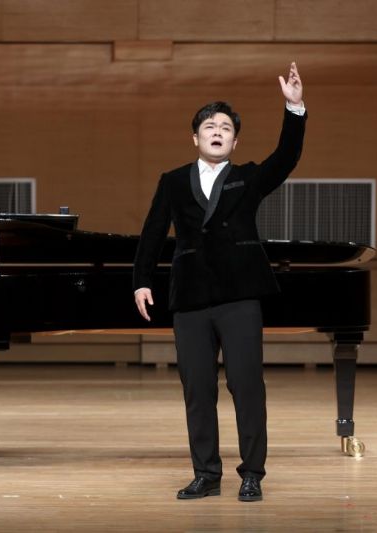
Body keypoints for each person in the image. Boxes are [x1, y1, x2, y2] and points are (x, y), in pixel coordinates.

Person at [133, 62, 306, 501]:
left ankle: (252, 474)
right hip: (190, 297)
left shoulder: (248, 177)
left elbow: (286, 157)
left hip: (240, 295)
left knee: (246, 387)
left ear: (234, 141)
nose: (217, 132)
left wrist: (294, 108)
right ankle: (206, 474)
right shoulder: (173, 181)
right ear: (195, 138)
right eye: (209, 126)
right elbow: (153, 232)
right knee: (197, 390)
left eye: (225, 128)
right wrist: (141, 280)